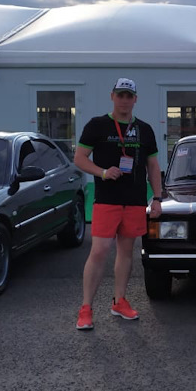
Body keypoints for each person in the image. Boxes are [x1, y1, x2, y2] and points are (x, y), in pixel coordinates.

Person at [73, 78, 162, 331]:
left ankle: (119, 301)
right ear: (112, 96)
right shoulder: (97, 125)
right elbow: (79, 158)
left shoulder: (145, 129)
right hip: (106, 200)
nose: (124, 100)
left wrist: (157, 198)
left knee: (126, 251)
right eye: (120, 95)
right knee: (99, 251)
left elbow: (153, 165)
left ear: (135, 99)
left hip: (134, 201)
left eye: (129, 96)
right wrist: (102, 172)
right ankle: (86, 308)